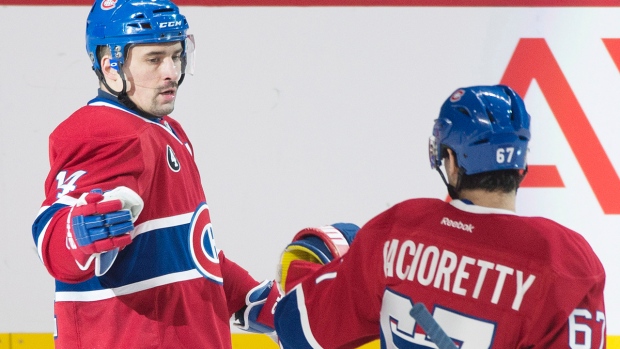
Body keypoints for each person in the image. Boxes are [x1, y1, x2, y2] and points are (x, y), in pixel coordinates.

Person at [273, 85, 607, 348]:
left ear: (450, 158)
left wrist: (313, 267)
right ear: (520, 163)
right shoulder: (568, 263)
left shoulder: (399, 231)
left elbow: (300, 329)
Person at [31, 1, 280, 347]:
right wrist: (78, 232)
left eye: (176, 55)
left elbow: (191, 254)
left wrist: (251, 299)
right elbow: (53, 239)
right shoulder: (102, 130)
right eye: (154, 58)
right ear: (111, 67)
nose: (171, 71)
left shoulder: (168, 131)